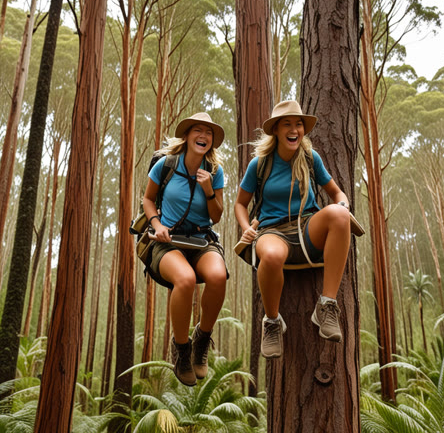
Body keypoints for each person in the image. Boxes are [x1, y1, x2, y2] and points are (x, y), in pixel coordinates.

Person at [234, 100, 352, 358]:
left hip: (308, 227)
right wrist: (246, 228)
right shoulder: (260, 164)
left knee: (340, 215)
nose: (294, 129)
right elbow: (241, 204)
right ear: (276, 130)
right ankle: (273, 322)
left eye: (298, 124)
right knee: (273, 256)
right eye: (287, 124)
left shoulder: (311, 158)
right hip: (272, 231)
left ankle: (327, 306)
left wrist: (342, 204)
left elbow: (336, 192)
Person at [143, 112, 227, 386]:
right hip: (166, 242)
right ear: (188, 135)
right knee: (186, 279)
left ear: (212, 141)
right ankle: (181, 349)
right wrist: (157, 224)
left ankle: (202, 338)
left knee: (217, 276)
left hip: (202, 240)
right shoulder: (166, 164)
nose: (203, 136)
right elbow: (148, 199)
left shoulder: (215, 171)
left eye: (209, 132)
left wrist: (208, 190)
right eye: (198, 131)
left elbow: (216, 216)